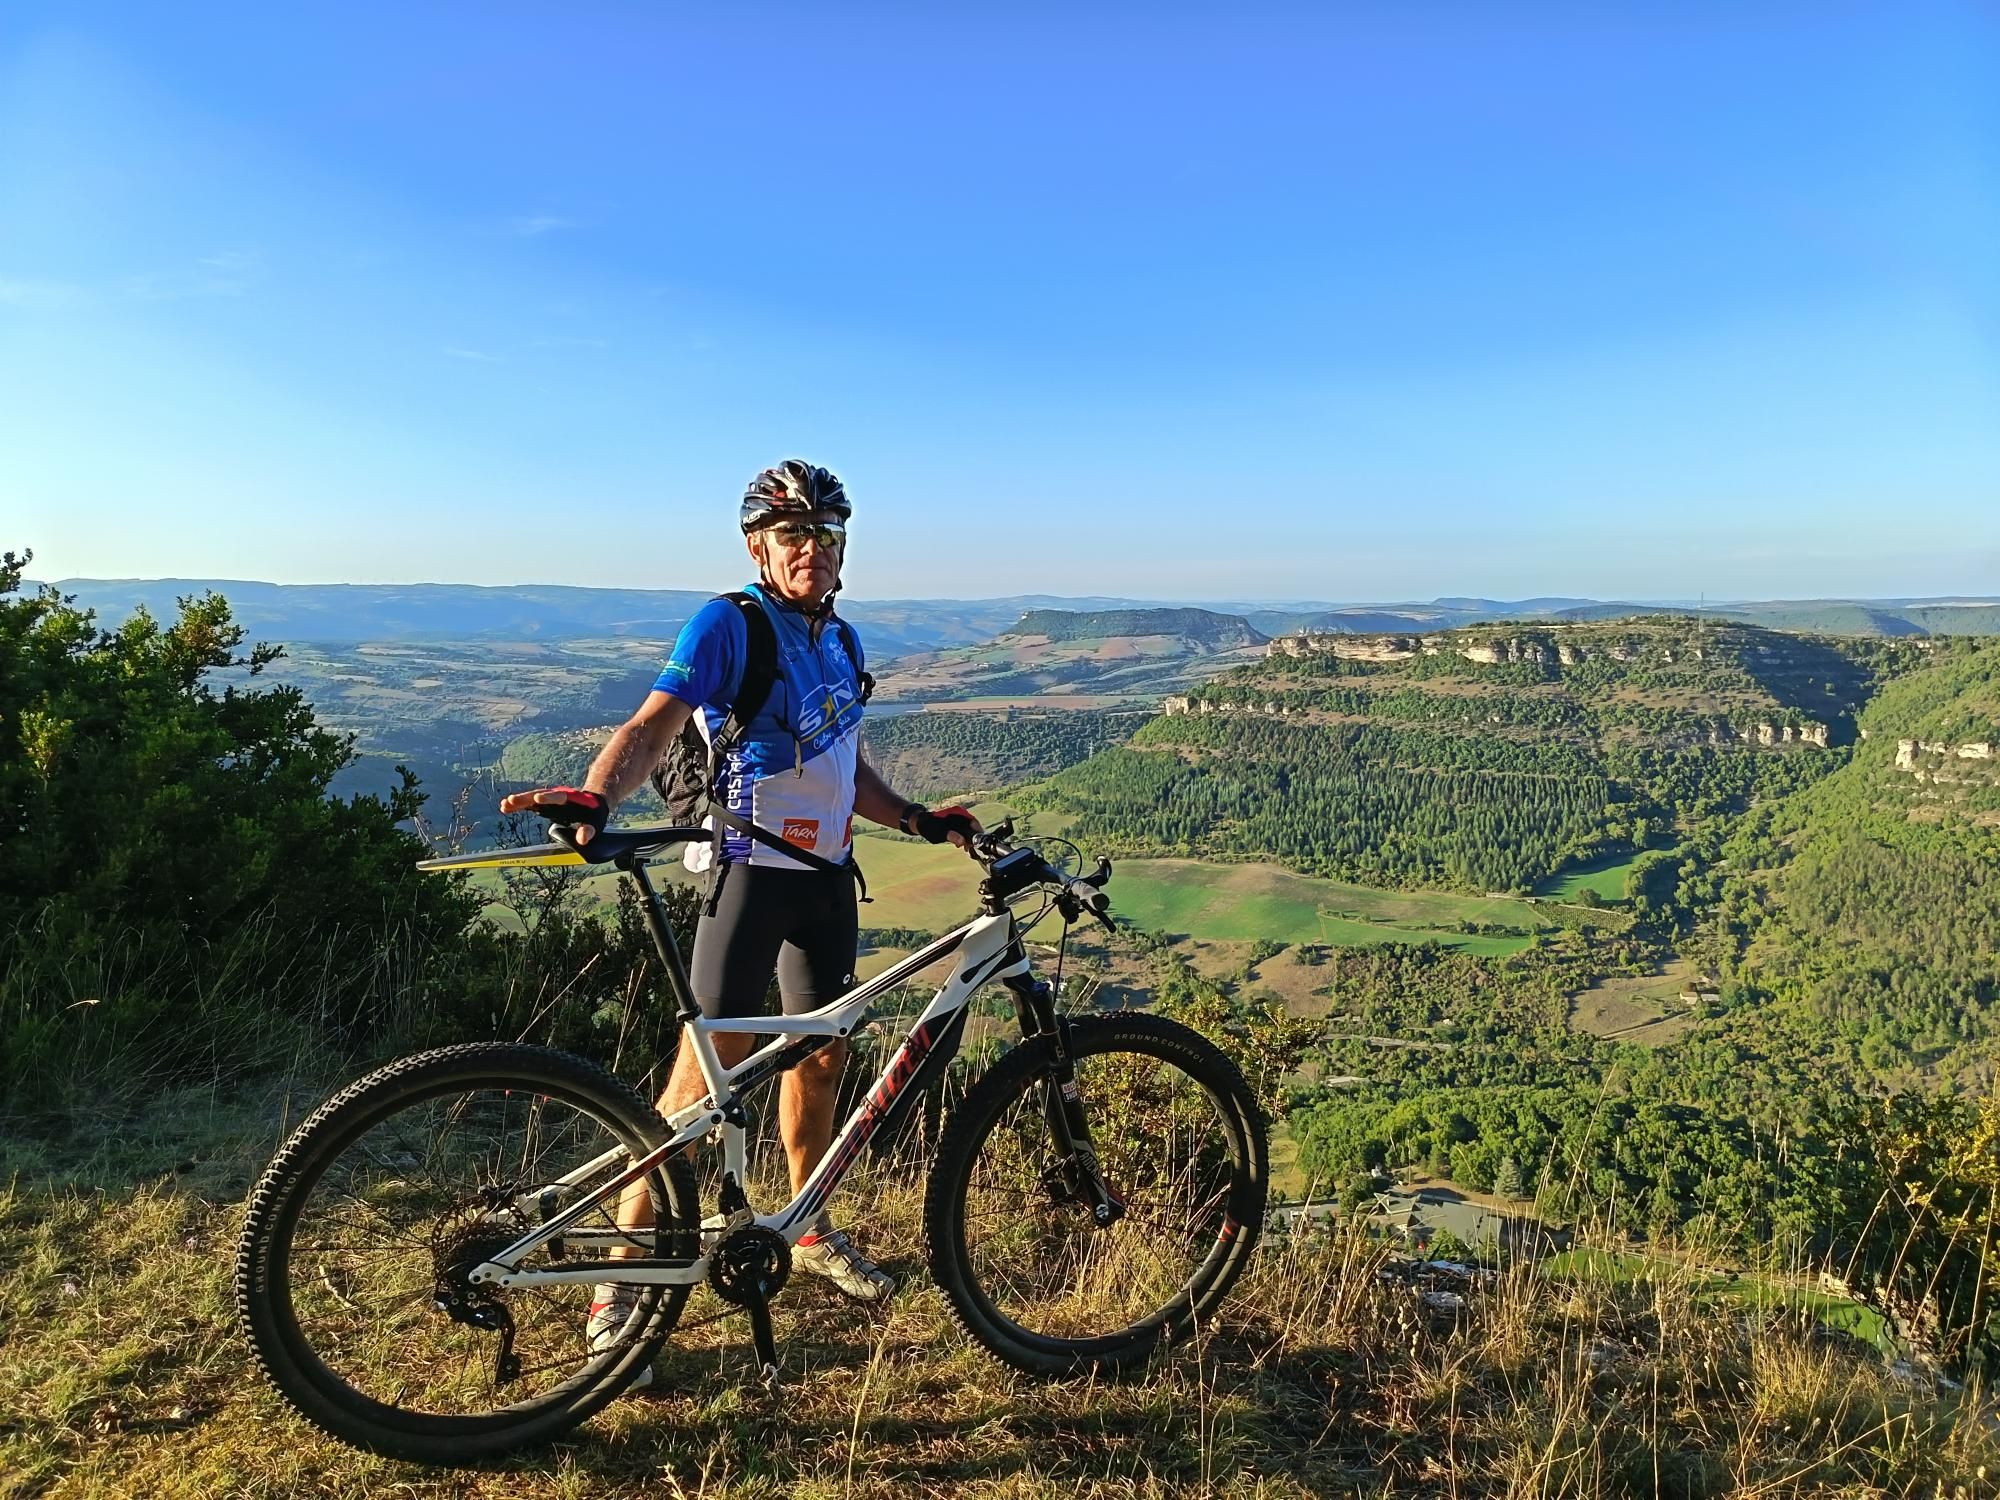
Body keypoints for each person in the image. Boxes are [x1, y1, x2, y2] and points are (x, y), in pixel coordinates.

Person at [498, 460, 979, 1376]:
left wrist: (917, 819)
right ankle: (620, 1285)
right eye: (793, 534)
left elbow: (846, 768)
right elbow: (653, 725)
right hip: (750, 874)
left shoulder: (841, 639)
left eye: (826, 533)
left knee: (821, 1055)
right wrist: (598, 795)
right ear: (760, 546)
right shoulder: (729, 624)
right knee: (696, 1085)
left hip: (827, 880)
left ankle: (807, 1224)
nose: (812, 549)